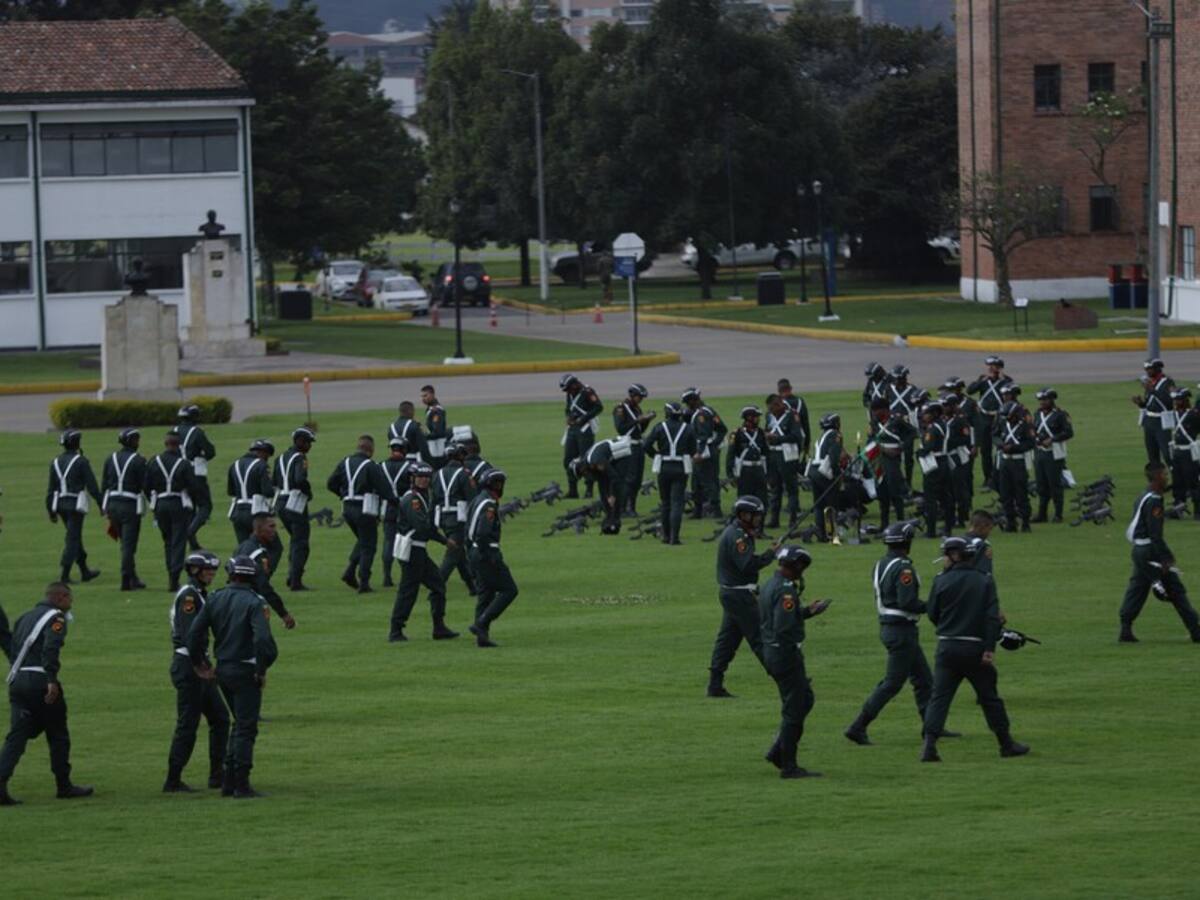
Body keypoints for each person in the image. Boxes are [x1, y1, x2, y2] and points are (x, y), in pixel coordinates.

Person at [921, 537, 1029, 763]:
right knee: (989, 698)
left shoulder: (941, 580)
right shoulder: (984, 580)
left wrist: (947, 627)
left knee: (939, 698)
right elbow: (991, 618)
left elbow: (932, 613)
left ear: (955, 555)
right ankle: (1006, 743)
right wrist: (989, 647)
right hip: (974, 648)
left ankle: (929, 745)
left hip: (947, 646)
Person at [186, 556, 278, 798]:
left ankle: (228, 782)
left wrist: (199, 663)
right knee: (246, 727)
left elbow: (194, 634)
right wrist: (262, 669)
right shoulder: (255, 602)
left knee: (239, 723)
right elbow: (263, 640)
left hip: (223, 669)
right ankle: (241, 784)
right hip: (246, 670)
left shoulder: (215, 597)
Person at [844, 522, 939, 746]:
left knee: (924, 679)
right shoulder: (904, 567)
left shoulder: (881, 563)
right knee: (892, 683)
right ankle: (858, 726)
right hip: (901, 629)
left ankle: (932, 726)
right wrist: (933, 606)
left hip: (892, 627)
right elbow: (907, 602)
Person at [0, 582, 93, 806]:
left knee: (17, 736)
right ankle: (64, 785)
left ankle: (0, 783)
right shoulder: (56, 619)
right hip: (40, 682)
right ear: (60, 597)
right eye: (69, 599)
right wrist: (51, 678)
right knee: (58, 733)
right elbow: (51, 647)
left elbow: (12, 647)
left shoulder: (24, 617)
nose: (71, 603)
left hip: (17, 682)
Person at [758, 546, 831, 779]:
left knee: (804, 699)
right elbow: (783, 626)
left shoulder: (770, 584)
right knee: (795, 708)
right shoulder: (786, 591)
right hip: (785, 654)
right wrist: (793, 649)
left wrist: (807, 612)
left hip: (772, 651)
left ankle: (778, 751)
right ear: (797, 565)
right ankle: (787, 764)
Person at [164, 550, 229, 793]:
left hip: (196, 663)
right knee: (188, 723)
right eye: (207, 570)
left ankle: (217, 774)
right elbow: (189, 635)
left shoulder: (199, 593)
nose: (211, 574)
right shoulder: (189, 596)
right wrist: (200, 665)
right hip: (190, 665)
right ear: (194, 570)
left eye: (213, 570)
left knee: (220, 718)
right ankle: (173, 779)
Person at [1118, 462, 1200, 643]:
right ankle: (1196, 630)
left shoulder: (1144, 495)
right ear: (1156, 478)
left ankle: (1125, 628)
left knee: (1137, 589)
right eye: (1164, 475)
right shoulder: (1154, 501)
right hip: (1150, 552)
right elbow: (1155, 534)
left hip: (1139, 551)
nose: (1167, 478)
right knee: (1176, 590)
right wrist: (1166, 557)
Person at [707, 496, 774, 698]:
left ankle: (714, 685)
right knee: (760, 638)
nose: (759, 519)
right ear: (744, 515)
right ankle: (787, 678)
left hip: (731, 594)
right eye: (756, 515)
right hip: (740, 595)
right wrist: (770, 554)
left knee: (727, 641)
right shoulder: (738, 537)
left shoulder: (739, 532)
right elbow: (748, 565)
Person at [389, 462, 459, 642]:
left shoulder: (422, 497)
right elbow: (422, 526)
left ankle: (439, 627)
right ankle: (396, 630)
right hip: (413, 550)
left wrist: (443, 540)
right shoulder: (413, 500)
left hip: (417, 550)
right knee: (409, 590)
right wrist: (444, 540)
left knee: (437, 585)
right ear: (412, 478)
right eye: (420, 477)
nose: (424, 480)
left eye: (427, 477)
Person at [328, 435, 398, 594]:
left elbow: (331, 483)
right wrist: (396, 503)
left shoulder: (344, 462)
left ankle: (350, 571)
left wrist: (343, 494)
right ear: (370, 449)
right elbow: (384, 489)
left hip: (347, 508)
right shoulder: (370, 466)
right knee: (369, 546)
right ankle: (364, 582)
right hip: (365, 509)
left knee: (363, 540)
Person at [466, 469, 519, 647]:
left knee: (486, 594)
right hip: (486, 553)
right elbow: (482, 533)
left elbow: (468, 530)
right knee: (509, 590)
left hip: (475, 552)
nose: (500, 487)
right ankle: (481, 623)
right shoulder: (489, 504)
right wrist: (489, 556)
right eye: (498, 483)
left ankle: (482, 637)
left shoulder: (477, 499)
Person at [145, 431, 201, 591]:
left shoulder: (154, 462)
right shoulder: (184, 464)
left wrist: (153, 501)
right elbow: (193, 486)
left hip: (160, 504)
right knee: (178, 542)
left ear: (165, 444)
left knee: (168, 541)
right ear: (179, 445)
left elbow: (146, 485)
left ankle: (171, 572)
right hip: (178, 504)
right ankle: (174, 579)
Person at [46, 429, 103, 585]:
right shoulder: (81, 461)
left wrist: (51, 510)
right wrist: (101, 503)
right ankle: (65, 573)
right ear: (76, 443)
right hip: (75, 505)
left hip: (60, 505)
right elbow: (92, 486)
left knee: (75, 536)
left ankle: (84, 571)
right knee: (72, 538)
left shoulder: (56, 462)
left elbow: (51, 489)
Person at [102, 427, 148, 591]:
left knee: (124, 543)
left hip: (112, 504)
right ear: (131, 441)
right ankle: (125, 579)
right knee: (129, 545)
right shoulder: (138, 460)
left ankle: (132, 576)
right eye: (136, 439)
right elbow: (145, 484)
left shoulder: (110, 458)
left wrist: (104, 507)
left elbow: (104, 484)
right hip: (129, 505)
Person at [642, 402, 696, 545]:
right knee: (677, 503)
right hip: (680, 468)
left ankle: (666, 536)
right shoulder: (688, 428)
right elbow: (693, 450)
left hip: (664, 467)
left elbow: (646, 445)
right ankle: (675, 537)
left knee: (666, 503)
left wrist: (655, 454)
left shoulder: (659, 427)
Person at [235, 514, 296, 629]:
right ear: (259, 529)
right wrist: (283, 614)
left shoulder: (243, 546)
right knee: (260, 636)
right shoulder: (257, 553)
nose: (274, 531)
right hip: (247, 603)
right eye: (271, 526)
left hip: (234, 599)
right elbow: (263, 586)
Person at [273, 427, 315, 590]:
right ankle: (295, 580)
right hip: (295, 502)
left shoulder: (280, 458)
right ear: (300, 442)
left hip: (280, 502)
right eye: (308, 443)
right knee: (301, 542)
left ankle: (292, 575)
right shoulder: (300, 458)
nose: (309, 446)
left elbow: (274, 481)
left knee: (295, 540)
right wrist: (308, 492)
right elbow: (299, 479)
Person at [434, 442, 477, 594]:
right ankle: (436, 586)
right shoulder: (464, 474)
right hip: (459, 519)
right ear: (460, 456)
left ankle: (472, 587)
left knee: (459, 555)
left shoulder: (437, 474)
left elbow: (434, 500)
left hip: (442, 519)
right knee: (452, 556)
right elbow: (472, 499)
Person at [867, 398, 916, 528]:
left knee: (895, 491)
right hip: (878, 459)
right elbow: (870, 440)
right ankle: (884, 524)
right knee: (882, 492)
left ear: (884, 410)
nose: (874, 413)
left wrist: (902, 447)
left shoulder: (897, 421)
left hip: (892, 460)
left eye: (876, 410)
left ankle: (900, 522)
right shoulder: (874, 423)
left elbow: (912, 433)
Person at [967, 356, 1012, 489]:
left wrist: (1004, 379)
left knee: (1001, 448)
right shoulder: (983, 379)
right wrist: (982, 380)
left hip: (999, 418)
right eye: (989, 366)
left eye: (993, 366)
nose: (990, 369)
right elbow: (970, 390)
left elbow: (1013, 391)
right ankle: (988, 478)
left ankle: (1000, 477)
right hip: (984, 417)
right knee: (985, 450)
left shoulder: (1006, 381)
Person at [683, 387, 727, 519]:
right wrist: (715, 444)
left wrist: (701, 451)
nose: (687, 405)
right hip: (707, 449)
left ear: (692, 400)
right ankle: (698, 510)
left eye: (688, 402)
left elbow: (703, 436)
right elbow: (722, 429)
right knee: (696, 481)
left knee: (709, 481)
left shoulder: (701, 415)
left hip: (703, 451)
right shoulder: (707, 411)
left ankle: (715, 509)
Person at [177, 404, 216, 550]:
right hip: (195, 472)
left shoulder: (174, 431)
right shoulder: (197, 432)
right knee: (205, 506)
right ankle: (190, 532)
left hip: (178, 473)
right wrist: (201, 456)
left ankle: (193, 543)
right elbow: (210, 451)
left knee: (189, 508)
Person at [1031, 388, 1074, 523]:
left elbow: (1069, 432)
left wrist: (1053, 439)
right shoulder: (1037, 413)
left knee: (1055, 485)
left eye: (1045, 399)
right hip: (1039, 452)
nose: (1042, 402)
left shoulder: (1060, 414)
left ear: (1051, 399)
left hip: (1054, 453)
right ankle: (1042, 514)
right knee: (1041, 485)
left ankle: (1058, 514)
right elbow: (1034, 429)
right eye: (1040, 400)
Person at [613, 383, 654, 515]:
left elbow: (639, 430)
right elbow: (621, 429)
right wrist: (637, 420)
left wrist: (647, 420)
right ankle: (622, 508)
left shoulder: (636, 408)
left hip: (638, 445)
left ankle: (632, 508)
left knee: (637, 479)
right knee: (629, 478)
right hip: (627, 445)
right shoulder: (621, 408)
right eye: (639, 397)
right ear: (632, 395)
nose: (640, 399)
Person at [766, 393, 805, 530]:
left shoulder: (792, 416)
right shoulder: (769, 416)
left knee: (791, 488)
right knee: (775, 488)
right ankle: (774, 519)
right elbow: (767, 429)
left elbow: (796, 436)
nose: (771, 411)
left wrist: (778, 439)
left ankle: (793, 519)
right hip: (773, 454)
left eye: (773, 408)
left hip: (787, 456)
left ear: (779, 405)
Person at [995, 400, 1035, 532]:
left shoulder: (1025, 426)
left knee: (1021, 494)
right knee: (1005, 494)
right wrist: (1001, 444)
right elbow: (994, 435)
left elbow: (1030, 443)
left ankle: (1025, 522)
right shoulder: (1003, 423)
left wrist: (1013, 448)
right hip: (1005, 462)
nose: (1007, 418)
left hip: (1018, 462)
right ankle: (1010, 522)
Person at [561, 375, 603, 498]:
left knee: (586, 460)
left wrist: (583, 418)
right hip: (572, 429)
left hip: (585, 429)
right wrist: (569, 417)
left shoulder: (587, 392)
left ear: (574, 385)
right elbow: (568, 408)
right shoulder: (570, 394)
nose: (567, 392)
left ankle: (589, 489)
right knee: (568, 460)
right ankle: (573, 490)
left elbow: (598, 407)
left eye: (568, 388)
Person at [380, 438, 415, 588]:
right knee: (406, 541)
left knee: (388, 541)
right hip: (405, 508)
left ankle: (387, 576)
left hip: (387, 507)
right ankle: (406, 575)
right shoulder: (410, 467)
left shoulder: (381, 466)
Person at [917, 400, 954, 538]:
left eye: (926, 413)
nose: (924, 416)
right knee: (946, 497)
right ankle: (948, 527)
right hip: (944, 462)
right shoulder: (943, 425)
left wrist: (919, 452)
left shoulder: (933, 429)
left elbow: (928, 447)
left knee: (930, 498)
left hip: (934, 463)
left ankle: (931, 530)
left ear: (934, 413)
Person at [227, 439, 274, 545]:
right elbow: (268, 492)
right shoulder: (261, 465)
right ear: (262, 452)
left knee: (244, 547)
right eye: (267, 455)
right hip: (256, 512)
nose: (267, 459)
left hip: (237, 512)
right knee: (274, 546)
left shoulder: (234, 465)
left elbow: (231, 491)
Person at [806, 414, 844, 542]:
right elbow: (833, 457)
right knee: (831, 503)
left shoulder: (822, 436)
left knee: (818, 504)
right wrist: (837, 474)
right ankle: (831, 533)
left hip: (814, 470)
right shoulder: (835, 435)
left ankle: (820, 532)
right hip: (825, 471)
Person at [727, 406, 769, 518]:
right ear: (749, 417)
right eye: (756, 417)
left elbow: (766, 453)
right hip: (745, 470)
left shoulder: (761, 432)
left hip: (759, 469)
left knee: (762, 499)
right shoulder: (737, 433)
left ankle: (760, 524)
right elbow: (731, 454)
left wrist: (769, 473)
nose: (758, 419)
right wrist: (730, 475)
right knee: (744, 499)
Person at [574, 439, 624, 533]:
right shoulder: (590, 463)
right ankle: (610, 517)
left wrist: (612, 495)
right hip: (613, 456)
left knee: (621, 486)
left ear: (582, 468)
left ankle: (616, 519)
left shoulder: (596, 461)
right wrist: (607, 497)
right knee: (605, 490)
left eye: (583, 473)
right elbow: (602, 483)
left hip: (623, 455)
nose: (586, 476)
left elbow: (614, 477)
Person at [1133, 358, 1176, 465]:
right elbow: (1150, 404)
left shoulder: (1168, 382)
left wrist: (1152, 390)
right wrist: (1141, 404)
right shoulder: (1150, 382)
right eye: (1146, 369)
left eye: (1150, 369)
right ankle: (1156, 473)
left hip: (1162, 421)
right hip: (1149, 421)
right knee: (1151, 453)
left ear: (1158, 368)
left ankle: (1176, 472)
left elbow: (1169, 402)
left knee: (1167, 453)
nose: (1147, 371)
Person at [942, 393, 975, 527]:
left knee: (959, 489)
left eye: (946, 405)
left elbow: (966, 439)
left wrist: (948, 442)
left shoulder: (960, 421)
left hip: (957, 457)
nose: (944, 408)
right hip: (946, 457)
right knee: (948, 489)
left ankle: (962, 517)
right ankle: (950, 516)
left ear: (954, 406)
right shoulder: (943, 420)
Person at [886, 366, 922, 484]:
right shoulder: (888, 389)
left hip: (907, 428)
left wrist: (908, 417)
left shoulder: (913, 389)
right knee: (893, 455)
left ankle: (908, 482)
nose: (896, 380)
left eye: (898, 378)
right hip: (893, 427)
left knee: (908, 456)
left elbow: (917, 407)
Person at [1168, 389, 1200, 518]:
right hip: (1177, 452)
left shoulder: (1193, 415)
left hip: (1188, 452)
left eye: (1179, 400)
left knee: (1193, 482)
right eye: (1175, 400)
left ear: (1185, 400)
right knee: (1177, 482)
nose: (1176, 402)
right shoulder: (1174, 414)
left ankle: (1198, 510)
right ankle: (1178, 508)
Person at [775, 378, 811, 456]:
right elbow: (805, 424)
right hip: (798, 440)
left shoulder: (778, 404)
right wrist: (807, 444)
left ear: (779, 391)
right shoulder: (800, 402)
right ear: (791, 388)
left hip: (781, 442)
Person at [421, 384, 449, 470]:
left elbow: (437, 432)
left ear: (432, 394)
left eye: (425, 395)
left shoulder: (436, 411)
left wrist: (423, 436)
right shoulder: (431, 409)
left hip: (438, 447)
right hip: (436, 446)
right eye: (422, 396)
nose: (423, 399)